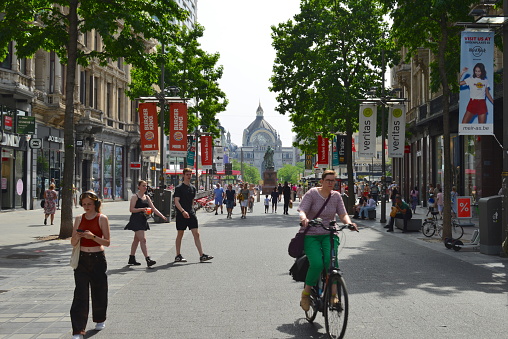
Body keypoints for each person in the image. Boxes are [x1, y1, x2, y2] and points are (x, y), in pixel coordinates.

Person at [298, 170, 358, 311]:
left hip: (329, 233)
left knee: (331, 264)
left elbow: (342, 214)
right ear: (322, 181)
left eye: (333, 181)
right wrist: (304, 219)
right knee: (318, 263)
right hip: (312, 234)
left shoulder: (336, 196)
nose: (331, 183)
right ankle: (306, 294)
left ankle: (333, 296)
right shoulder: (312, 193)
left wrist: (349, 223)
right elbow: (302, 210)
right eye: (328, 180)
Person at [70, 191, 111, 338]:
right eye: (84, 204)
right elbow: (72, 243)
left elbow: (107, 242)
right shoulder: (79, 218)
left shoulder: (102, 218)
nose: (86, 207)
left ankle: (100, 319)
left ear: (95, 204)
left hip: (97, 258)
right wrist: (77, 236)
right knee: (80, 294)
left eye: (89, 204)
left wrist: (92, 237)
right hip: (81, 258)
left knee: (99, 290)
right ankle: (78, 329)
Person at [173, 168, 213, 263]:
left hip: (191, 213)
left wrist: (192, 210)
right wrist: (183, 211)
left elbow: (191, 201)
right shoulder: (179, 188)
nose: (189, 176)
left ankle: (202, 255)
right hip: (181, 214)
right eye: (187, 174)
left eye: (190, 174)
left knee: (196, 233)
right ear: (183, 175)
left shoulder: (193, 188)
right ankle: (178, 255)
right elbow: (176, 201)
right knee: (180, 234)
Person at [124, 180, 167, 267]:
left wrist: (162, 216)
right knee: (143, 240)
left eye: (146, 186)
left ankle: (131, 258)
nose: (145, 187)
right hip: (136, 219)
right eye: (143, 186)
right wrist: (141, 209)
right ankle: (148, 259)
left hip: (143, 219)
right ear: (138, 187)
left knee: (136, 240)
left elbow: (153, 208)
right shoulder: (135, 197)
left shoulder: (147, 197)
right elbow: (131, 209)